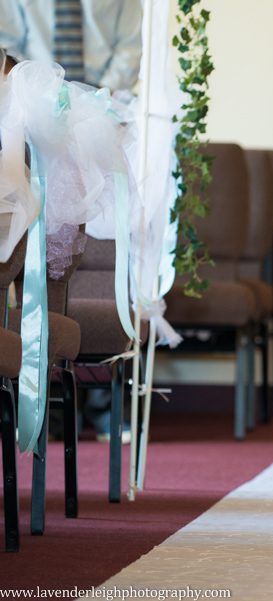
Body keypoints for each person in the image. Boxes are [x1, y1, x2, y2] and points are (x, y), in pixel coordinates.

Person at [0, 0, 141, 442]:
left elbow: (128, 45)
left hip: (99, 113)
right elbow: (10, 43)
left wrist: (88, 101)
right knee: (33, 241)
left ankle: (100, 410)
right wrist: (39, 97)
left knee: (86, 252)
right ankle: (49, 412)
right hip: (31, 119)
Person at [0, 0, 141, 92]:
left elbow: (131, 43)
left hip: (104, 95)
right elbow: (7, 43)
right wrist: (32, 91)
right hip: (35, 95)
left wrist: (106, 93)